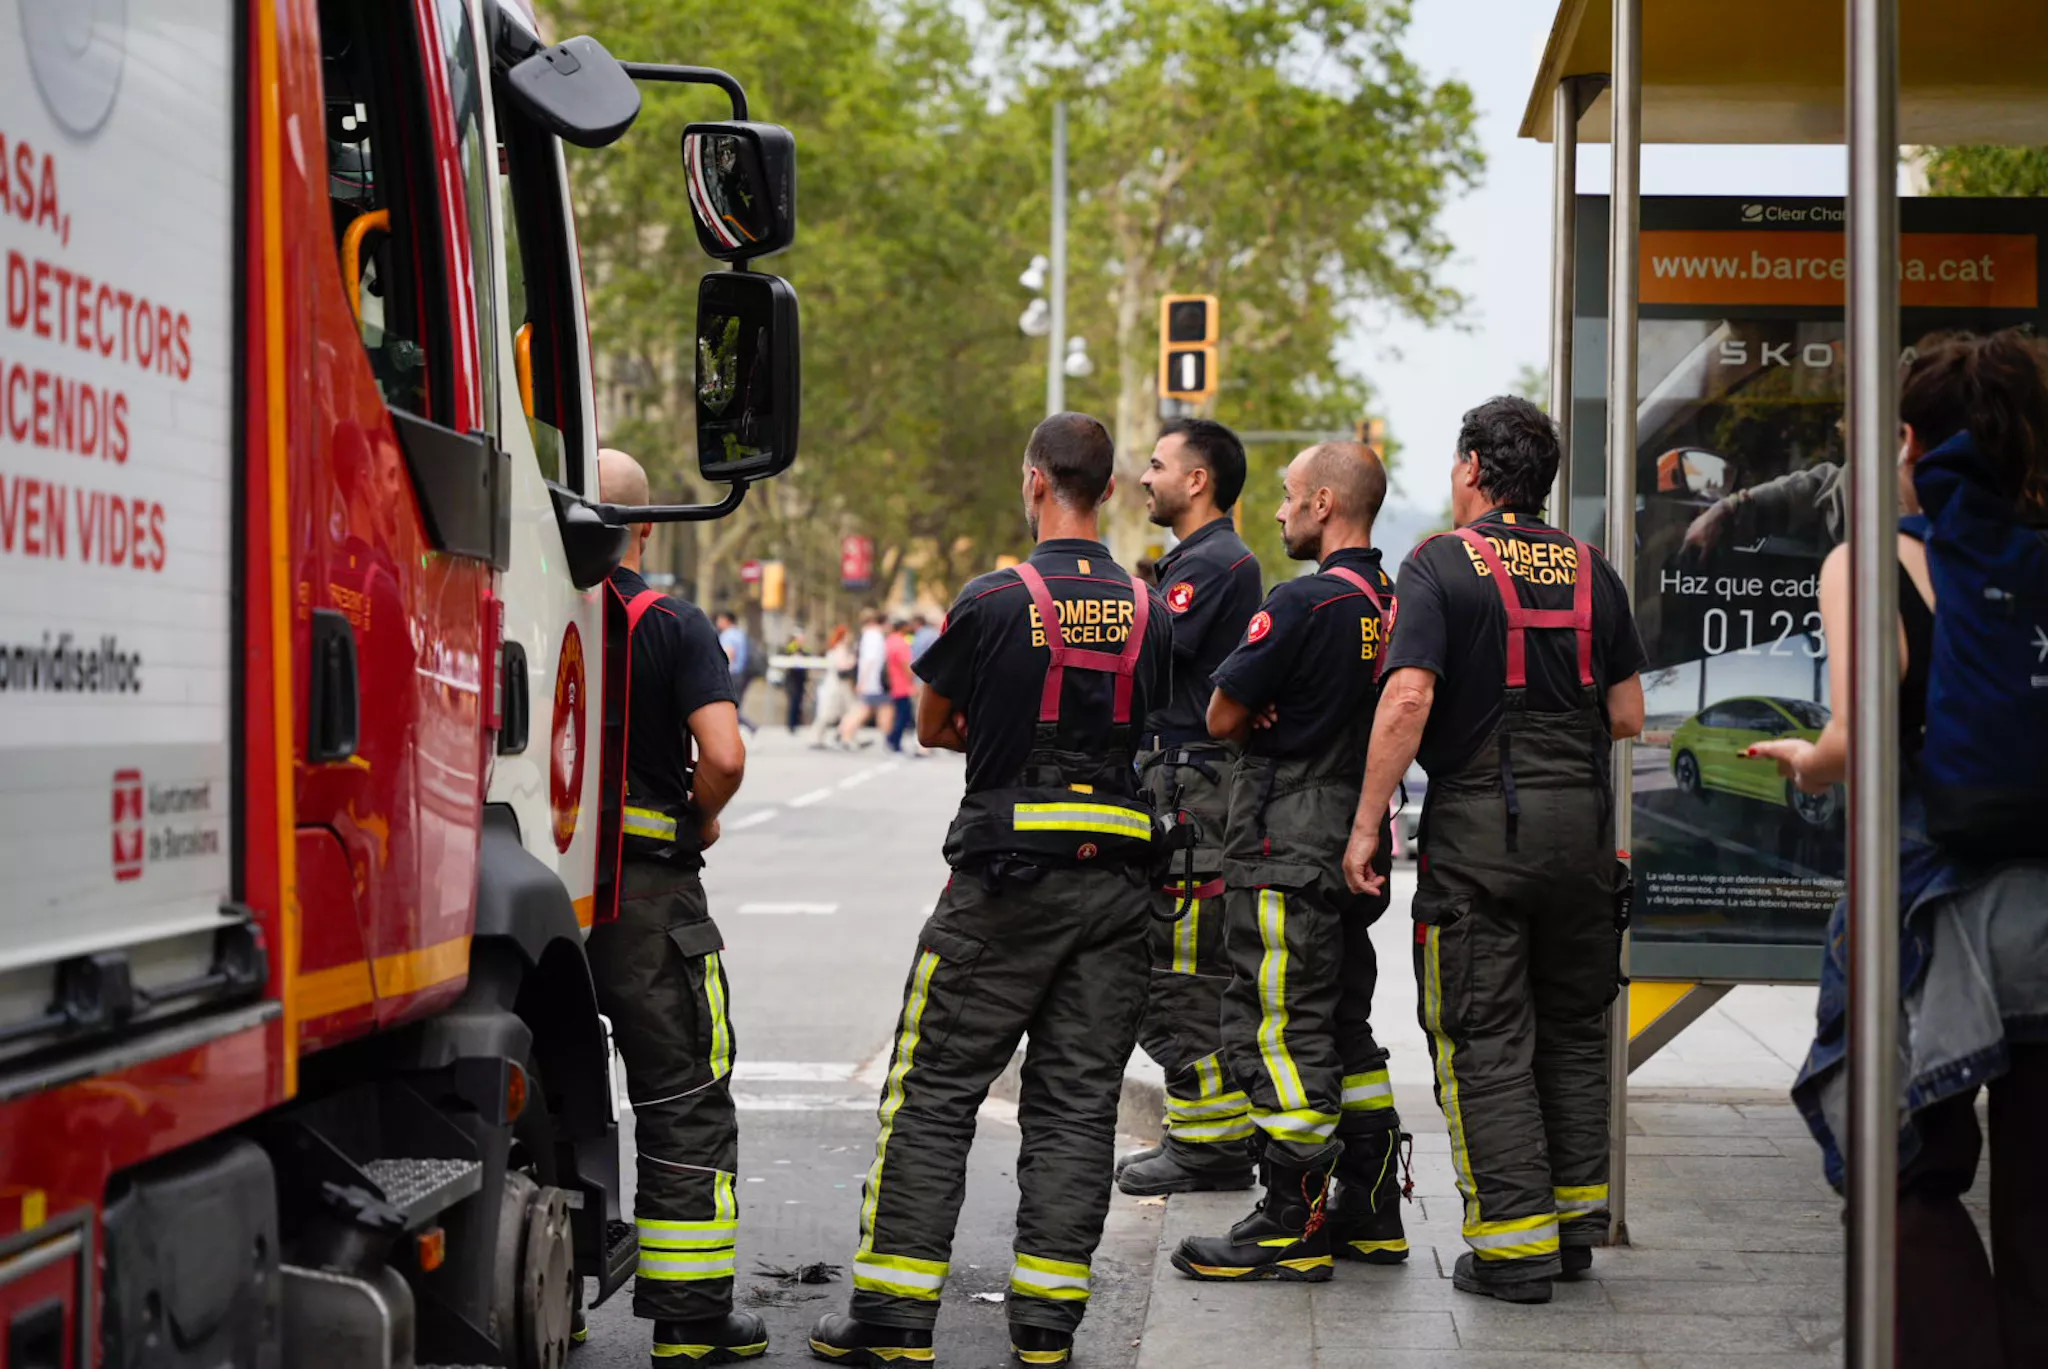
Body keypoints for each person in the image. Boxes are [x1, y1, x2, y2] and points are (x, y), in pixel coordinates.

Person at [809, 413, 1173, 1369]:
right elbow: (1151, 729)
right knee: (1078, 1101)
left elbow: (932, 722)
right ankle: (1047, 1327)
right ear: (1105, 487)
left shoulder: (995, 598)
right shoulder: (1151, 607)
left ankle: (893, 1321)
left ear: (1035, 481)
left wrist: (1006, 740)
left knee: (932, 1092)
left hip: (1005, 885)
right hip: (1121, 884)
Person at [1753, 330, 2048, 1367]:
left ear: (1909, 440)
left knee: (1900, 1174)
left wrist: (1803, 761)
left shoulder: (1872, 555)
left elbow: (1859, 736)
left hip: (1937, 911)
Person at [1340, 395, 1645, 1305]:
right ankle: (1574, 1228)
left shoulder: (1441, 564)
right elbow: (1627, 713)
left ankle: (1514, 1250)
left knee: (1486, 1036)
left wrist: (1367, 825)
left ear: (1474, 467)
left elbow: (1405, 701)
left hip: (1482, 840)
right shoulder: (1595, 570)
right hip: (1584, 842)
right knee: (1571, 1030)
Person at [1171, 441, 1407, 1283]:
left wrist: (1265, 706)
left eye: (1288, 495)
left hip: (1287, 845)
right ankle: (1372, 1208)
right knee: (1344, 1022)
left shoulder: (1303, 602)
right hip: (1356, 839)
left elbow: (1224, 712)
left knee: (1277, 1024)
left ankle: (1288, 1220)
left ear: (1324, 507)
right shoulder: (1395, 601)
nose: (1276, 510)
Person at [590, 449, 764, 1362]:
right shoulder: (672, 623)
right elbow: (725, 756)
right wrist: (697, 815)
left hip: (538, 888)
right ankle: (691, 1320)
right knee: (683, 1088)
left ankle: (556, 1293)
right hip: (647, 892)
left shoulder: (533, 608)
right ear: (647, 523)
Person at [1118, 417, 1265, 1198]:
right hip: (1178, 786)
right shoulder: (1196, 560)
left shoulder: (1213, 564)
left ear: (1197, 479)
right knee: (1168, 968)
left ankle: (1210, 1148)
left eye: (1157, 464)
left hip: (1195, 795)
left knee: (1178, 973)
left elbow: (1141, 652)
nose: (1145, 476)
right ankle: (1206, 1136)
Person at [844, 610, 889, 746]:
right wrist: (862, 681)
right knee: (874, 709)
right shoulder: (874, 636)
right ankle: (846, 734)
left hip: (870, 681)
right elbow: (870, 660)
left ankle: (846, 734)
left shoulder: (867, 635)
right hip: (874, 681)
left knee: (866, 710)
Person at [810, 625, 857, 749]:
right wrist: (852, 661)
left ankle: (845, 735)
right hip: (835, 685)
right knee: (827, 713)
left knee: (850, 711)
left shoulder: (844, 649)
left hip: (842, 685)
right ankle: (818, 737)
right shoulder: (838, 649)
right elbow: (841, 666)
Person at [715, 610, 757, 734]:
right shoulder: (740, 634)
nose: (718, 623)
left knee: (729, 706)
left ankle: (747, 727)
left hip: (731, 674)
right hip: (741, 674)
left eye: (720, 619)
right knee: (734, 705)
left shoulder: (728, 635)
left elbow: (729, 653)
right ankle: (747, 727)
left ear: (726, 620)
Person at [884, 617, 918, 754]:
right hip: (902, 685)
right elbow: (906, 666)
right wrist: (913, 682)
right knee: (903, 715)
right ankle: (894, 740)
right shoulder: (901, 644)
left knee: (898, 713)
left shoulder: (889, 641)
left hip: (893, 682)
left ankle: (892, 738)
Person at [782, 630, 811, 734]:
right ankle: (791, 725)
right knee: (793, 702)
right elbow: (786, 655)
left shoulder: (804, 649)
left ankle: (797, 724)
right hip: (792, 680)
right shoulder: (791, 647)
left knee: (798, 702)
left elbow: (808, 656)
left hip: (801, 680)